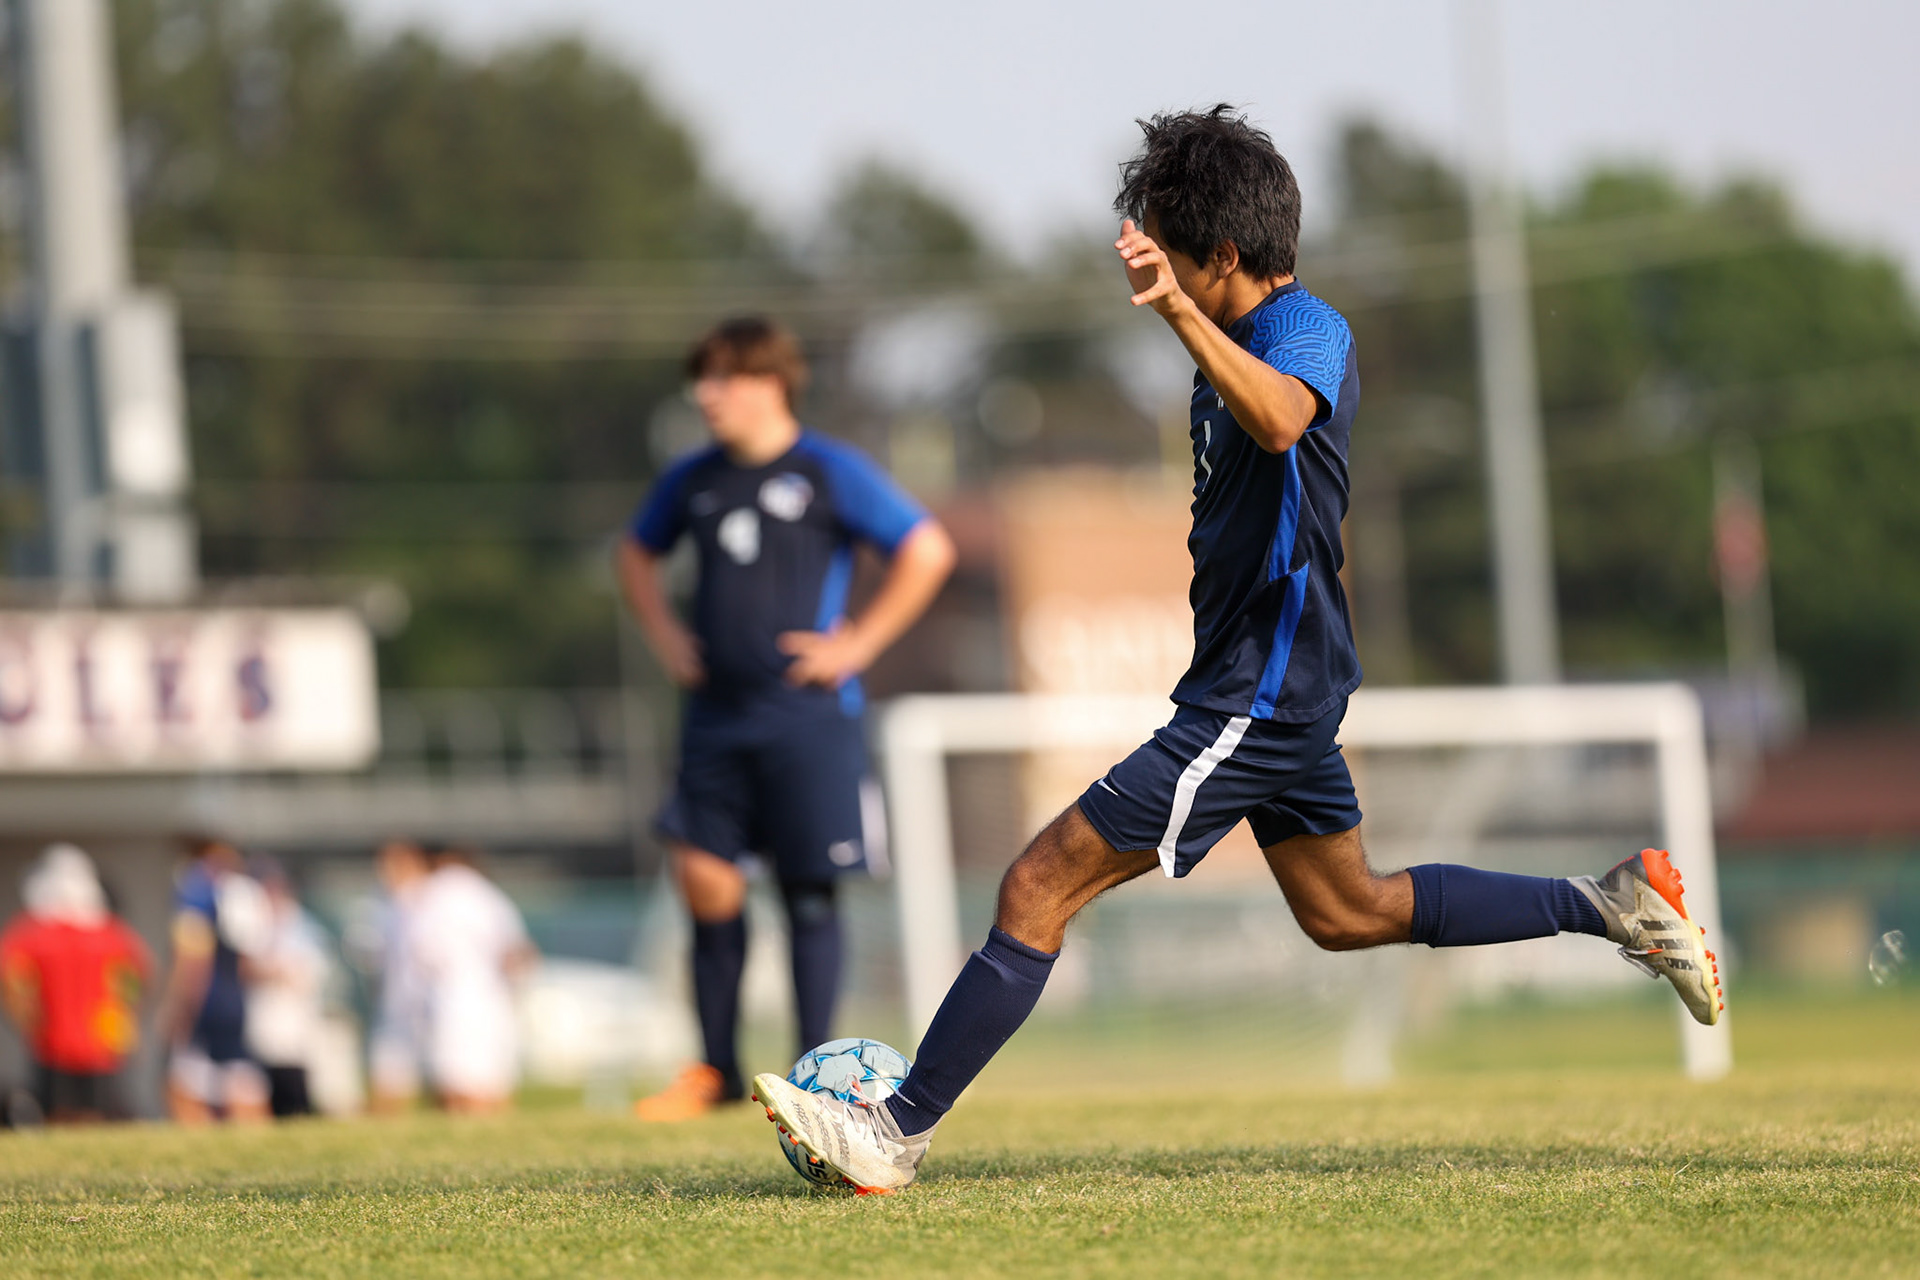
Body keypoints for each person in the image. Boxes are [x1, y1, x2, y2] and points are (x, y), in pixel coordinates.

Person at [750, 106, 1726, 1193]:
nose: (1152, 267)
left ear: (1220, 256)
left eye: (1169, 249)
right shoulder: (1219, 351)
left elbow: (1281, 421)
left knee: (1037, 884)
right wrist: (1185, 317)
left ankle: (893, 1128)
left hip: (1255, 695)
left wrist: (1174, 313)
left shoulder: (1306, 329)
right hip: (1271, 686)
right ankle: (1611, 900)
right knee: (1347, 909)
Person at [618, 316, 956, 1122]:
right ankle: (716, 1070)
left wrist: (858, 644)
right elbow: (635, 554)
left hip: (808, 717)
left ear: (771, 384)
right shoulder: (693, 479)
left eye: (722, 378)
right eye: (700, 379)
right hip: (714, 720)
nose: (706, 395)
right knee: (704, 878)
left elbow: (927, 549)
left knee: (809, 893)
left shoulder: (829, 471)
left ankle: (813, 1077)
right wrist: (668, 636)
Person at [0, 844, 151, 1122]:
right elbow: (135, 979)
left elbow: (13, 981)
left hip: (52, 1041)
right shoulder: (113, 935)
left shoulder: (30, 934)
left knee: (58, 1112)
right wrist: (126, 1019)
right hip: (102, 1040)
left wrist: (26, 1018)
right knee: (99, 1112)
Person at [411, 847, 534, 1115]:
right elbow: (518, 953)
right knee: (490, 1078)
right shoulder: (491, 897)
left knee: (454, 1077)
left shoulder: (434, 893)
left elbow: (421, 951)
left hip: (449, 997)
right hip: (491, 996)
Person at [161, 835, 273, 1124]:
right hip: (235, 1001)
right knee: (241, 1085)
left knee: (184, 1090)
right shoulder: (243, 892)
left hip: (206, 1003)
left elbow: (193, 956)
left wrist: (177, 1006)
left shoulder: (198, 889)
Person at [244, 859, 332, 1119]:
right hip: (259, 1028)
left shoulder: (305, 929)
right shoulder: (255, 926)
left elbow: (306, 973)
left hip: (292, 1031)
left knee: (293, 1098)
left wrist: (274, 971)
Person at [364, 838, 432, 1114]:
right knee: (387, 1083)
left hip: (430, 1009)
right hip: (396, 1009)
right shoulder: (383, 905)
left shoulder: (434, 900)